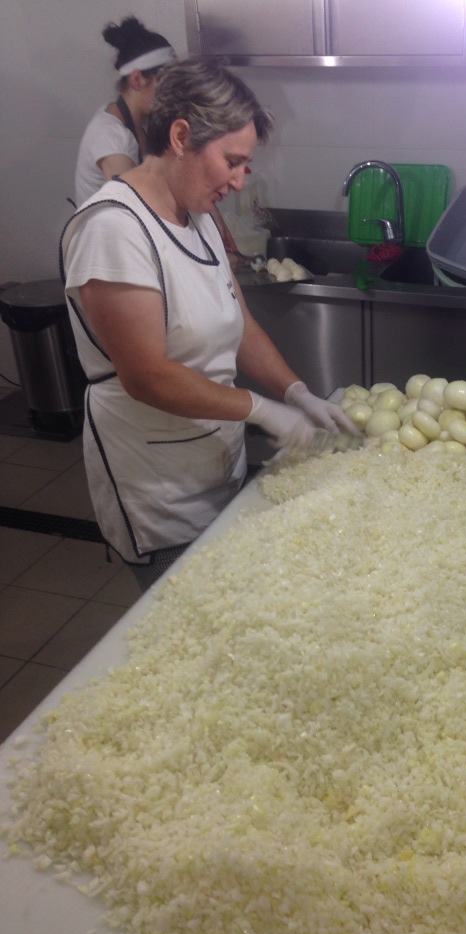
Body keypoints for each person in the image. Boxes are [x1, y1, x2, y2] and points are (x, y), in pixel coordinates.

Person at [61, 56, 354, 591]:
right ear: (180, 136)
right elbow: (146, 374)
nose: (241, 182)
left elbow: (236, 319)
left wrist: (295, 390)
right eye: (233, 161)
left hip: (216, 461)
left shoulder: (194, 217)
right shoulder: (114, 229)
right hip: (159, 490)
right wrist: (260, 409)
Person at [74, 17, 241, 261]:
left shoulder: (147, 124)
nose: (171, 93)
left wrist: (212, 218)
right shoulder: (109, 136)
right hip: (105, 260)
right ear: (136, 79)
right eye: (164, 84)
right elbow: (139, 203)